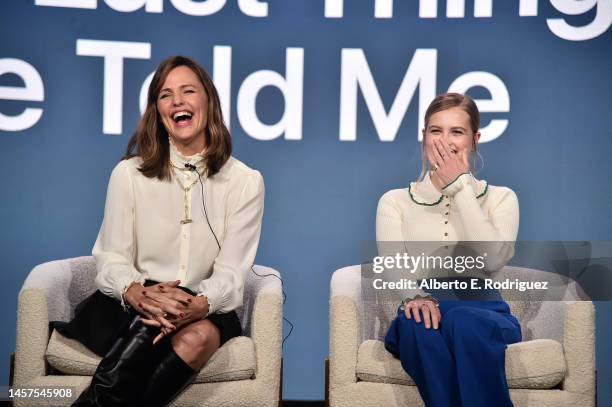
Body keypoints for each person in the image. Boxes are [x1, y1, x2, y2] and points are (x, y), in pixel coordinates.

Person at [53, 55, 265, 407]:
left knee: (198, 336)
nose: (177, 101)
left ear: (208, 102)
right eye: (166, 95)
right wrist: (137, 292)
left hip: (201, 303)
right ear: (158, 110)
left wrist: (197, 304)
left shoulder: (245, 182)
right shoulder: (129, 174)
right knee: (152, 316)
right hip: (132, 302)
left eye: (188, 91)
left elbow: (232, 271)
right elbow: (112, 257)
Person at [376, 93, 521, 407]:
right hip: (421, 307)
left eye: (457, 132)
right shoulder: (394, 201)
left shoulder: (500, 197)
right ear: (424, 137)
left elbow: (493, 259)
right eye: (435, 131)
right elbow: (393, 267)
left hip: (484, 312)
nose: (445, 141)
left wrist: (459, 186)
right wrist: (414, 297)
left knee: (462, 321)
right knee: (417, 326)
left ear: (475, 140)